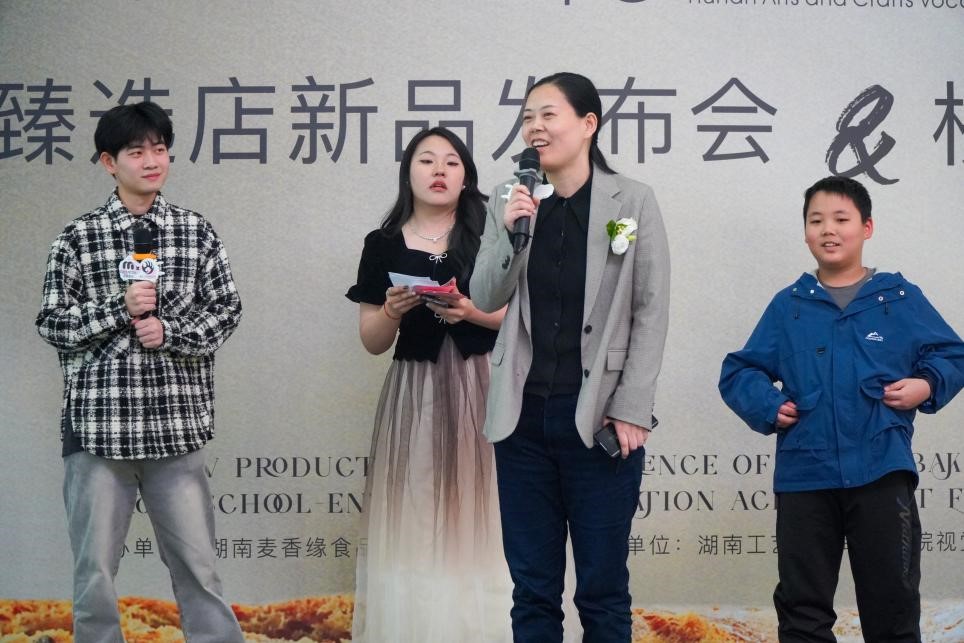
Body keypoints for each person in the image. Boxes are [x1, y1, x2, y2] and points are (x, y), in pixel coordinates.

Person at [470, 72, 671, 643]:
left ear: (588, 124)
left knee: (602, 591)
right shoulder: (509, 199)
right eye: (527, 117)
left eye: (548, 114)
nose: (535, 127)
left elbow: (650, 307)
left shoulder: (631, 201)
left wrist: (632, 406)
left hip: (599, 418)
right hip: (522, 421)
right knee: (533, 589)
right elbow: (485, 295)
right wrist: (511, 233)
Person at [719, 176, 964, 642]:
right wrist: (770, 405)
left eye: (841, 219)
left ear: (867, 227)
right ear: (805, 232)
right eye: (816, 221)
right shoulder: (789, 306)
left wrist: (925, 384)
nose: (828, 230)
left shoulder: (898, 298)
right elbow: (739, 372)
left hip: (881, 471)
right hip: (805, 477)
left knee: (892, 608)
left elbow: (953, 354)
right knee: (802, 613)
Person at [35, 102, 245, 642]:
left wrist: (170, 333)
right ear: (109, 162)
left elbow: (226, 311)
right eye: (136, 152)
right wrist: (118, 308)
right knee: (95, 574)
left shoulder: (195, 231)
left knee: (199, 568)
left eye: (160, 149)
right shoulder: (78, 237)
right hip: (98, 433)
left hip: (176, 427)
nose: (152, 161)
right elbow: (52, 322)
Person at [346, 127, 511, 642]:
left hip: (486, 386)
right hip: (416, 394)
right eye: (426, 160)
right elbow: (372, 341)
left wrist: (471, 312)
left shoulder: (491, 235)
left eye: (451, 162)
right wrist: (391, 311)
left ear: (466, 177)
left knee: (491, 511)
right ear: (408, 174)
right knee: (418, 516)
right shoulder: (382, 244)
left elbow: (523, 318)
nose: (439, 170)